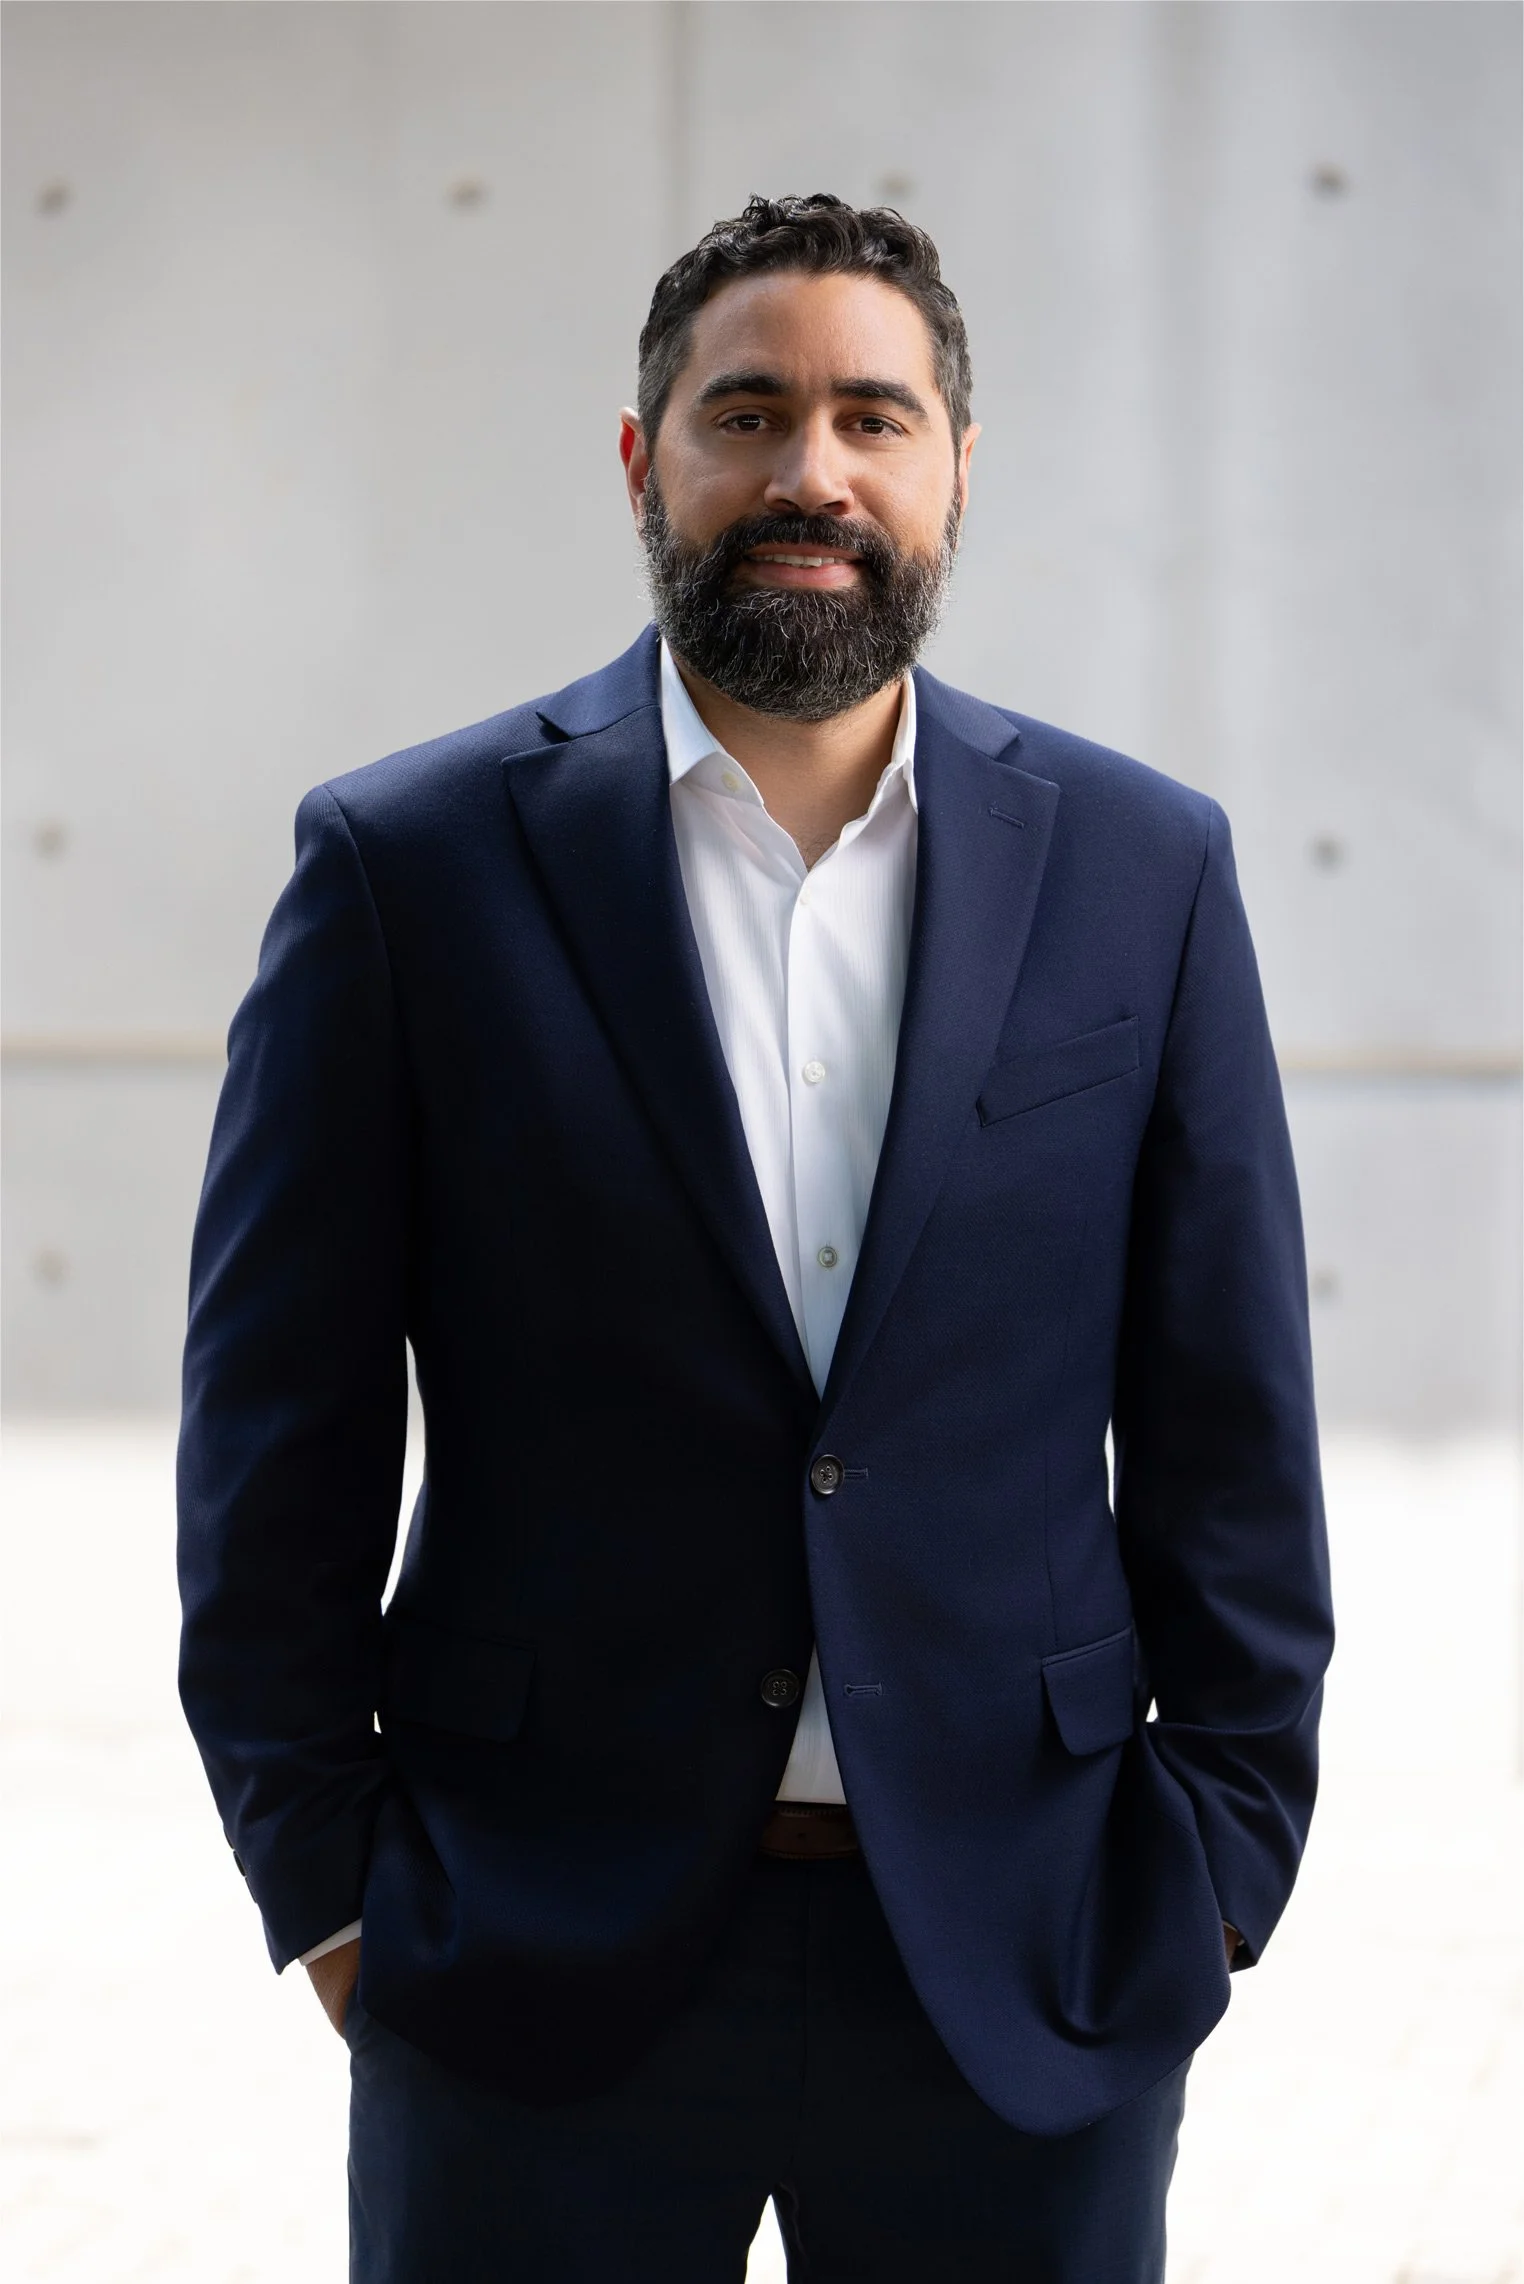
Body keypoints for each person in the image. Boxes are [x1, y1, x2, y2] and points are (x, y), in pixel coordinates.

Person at [178, 194, 1333, 2283]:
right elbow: (277, 1436)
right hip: (528, 1964)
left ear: (956, 466)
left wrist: (1219, 1866)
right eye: (752, 411)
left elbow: (1229, 1419)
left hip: (1022, 1964)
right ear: (646, 458)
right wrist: (336, 1897)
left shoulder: (1144, 873)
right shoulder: (406, 869)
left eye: (874, 415)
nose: (814, 469)